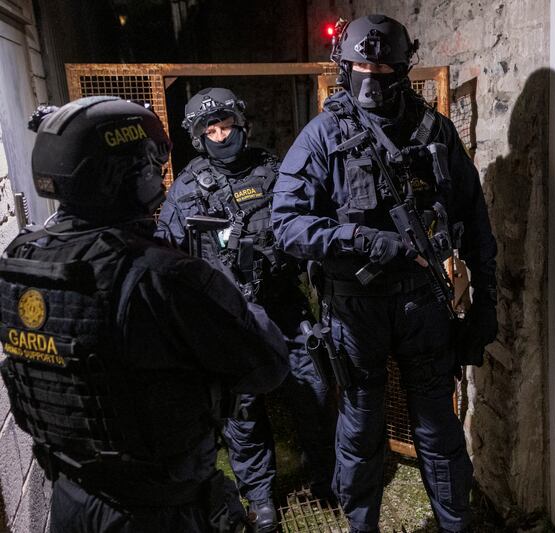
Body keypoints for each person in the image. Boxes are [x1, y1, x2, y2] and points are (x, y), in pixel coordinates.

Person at [0, 96, 290, 532]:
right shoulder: (162, 274)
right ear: (129, 174)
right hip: (158, 510)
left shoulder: (23, 258)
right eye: (152, 163)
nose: (157, 173)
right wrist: (228, 288)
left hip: (71, 498)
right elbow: (266, 364)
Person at [271, 14, 498, 533]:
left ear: (403, 69)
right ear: (344, 68)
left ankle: (454, 524)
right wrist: (361, 238)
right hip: (355, 308)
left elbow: (475, 221)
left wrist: (485, 301)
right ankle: (362, 525)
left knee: (438, 429)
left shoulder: (434, 131)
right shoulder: (322, 136)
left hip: (424, 303)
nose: (371, 76)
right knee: (360, 431)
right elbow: (285, 225)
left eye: (384, 67)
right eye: (360, 66)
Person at [155, 88, 336, 531]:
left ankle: (329, 479)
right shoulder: (184, 193)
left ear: (241, 124)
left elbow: (307, 228)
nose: (221, 135)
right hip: (228, 322)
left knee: (312, 394)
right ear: (198, 137)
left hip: (284, 309)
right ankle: (260, 497)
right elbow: (167, 259)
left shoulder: (275, 172)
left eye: (226, 125)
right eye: (210, 130)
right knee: (243, 414)